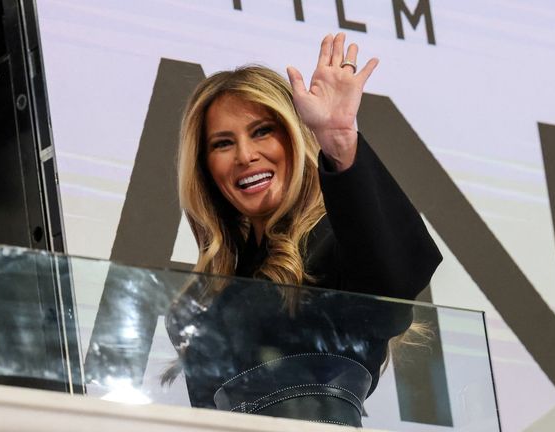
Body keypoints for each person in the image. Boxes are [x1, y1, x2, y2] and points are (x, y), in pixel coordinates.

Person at [169, 33, 443, 426]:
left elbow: (391, 283)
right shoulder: (199, 300)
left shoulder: (335, 244)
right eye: (223, 143)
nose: (246, 156)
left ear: (293, 138)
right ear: (206, 167)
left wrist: (340, 143)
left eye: (262, 131)